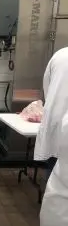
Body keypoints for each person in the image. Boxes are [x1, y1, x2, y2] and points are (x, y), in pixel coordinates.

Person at [34, 47, 68, 179]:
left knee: (55, 177)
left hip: (56, 123)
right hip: (58, 124)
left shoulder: (60, 55)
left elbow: (47, 89)